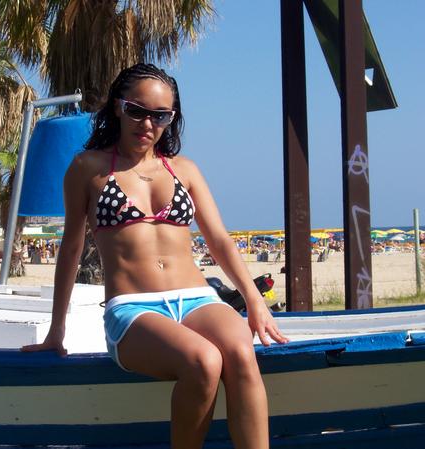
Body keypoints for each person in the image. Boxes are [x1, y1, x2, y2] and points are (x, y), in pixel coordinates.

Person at [22, 63, 288, 449]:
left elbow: (219, 240)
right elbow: (72, 249)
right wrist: (56, 329)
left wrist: (254, 301)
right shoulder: (88, 168)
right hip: (133, 309)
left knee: (241, 354)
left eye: (160, 116)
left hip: (198, 299)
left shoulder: (184, 169)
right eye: (137, 111)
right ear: (118, 107)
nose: (148, 123)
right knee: (203, 361)